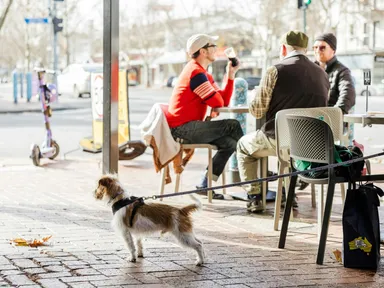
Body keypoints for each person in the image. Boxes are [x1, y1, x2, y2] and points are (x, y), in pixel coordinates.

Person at [237, 30, 329, 213]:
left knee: (243, 146)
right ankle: (288, 193)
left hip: (280, 139)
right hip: (312, 143)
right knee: (288, 153)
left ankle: (254, 196)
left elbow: (257, 111)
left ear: (283, 48)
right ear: (305, 48)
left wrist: (255, 95)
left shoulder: (275, 70)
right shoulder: (322, 73)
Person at [162, 34, 243, 199]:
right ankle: (253, 174)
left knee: (230, 144)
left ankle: (205, 184)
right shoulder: (196, 73)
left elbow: (223, 101)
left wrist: (230, 75)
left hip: (189, 126)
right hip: (181, 129)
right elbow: (218, 102)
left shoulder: (204, 74)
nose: (216, 48)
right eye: (212, 45)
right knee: (232, 125)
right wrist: (215, 100)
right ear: (203, 51)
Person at [313, 33, 356, 115]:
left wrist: (333, 116)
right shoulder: (310, 69)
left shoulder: (342, 71)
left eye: (322, 48)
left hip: (330, 121)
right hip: (311, 119)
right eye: (315, 47)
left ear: (333, 50)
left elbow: (348, 95)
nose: (317, 50)